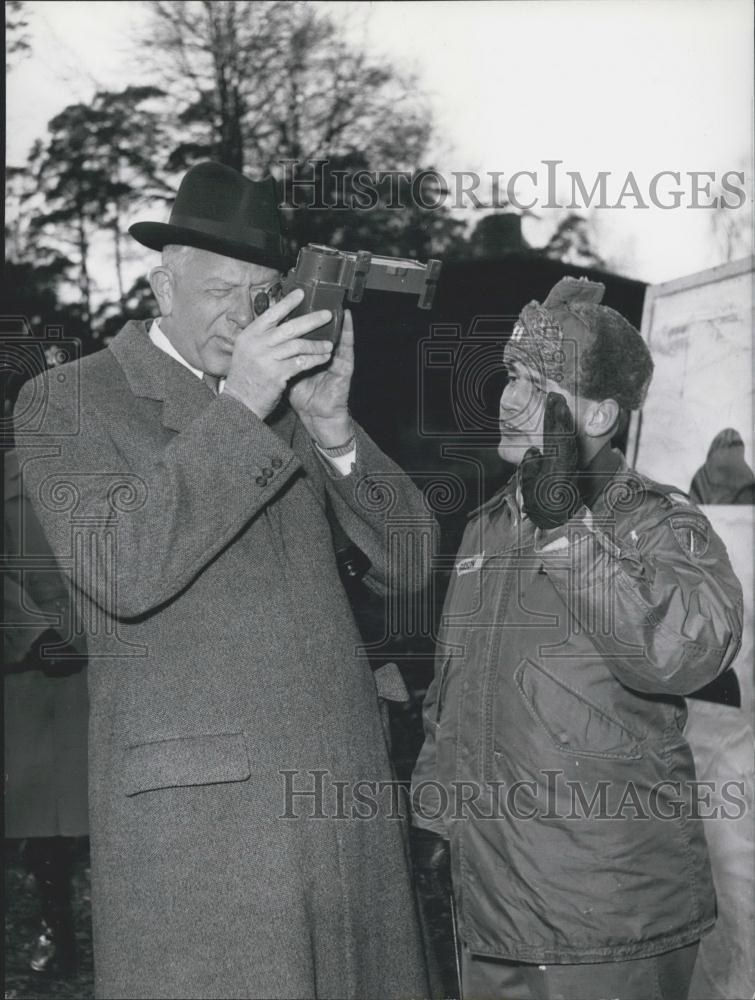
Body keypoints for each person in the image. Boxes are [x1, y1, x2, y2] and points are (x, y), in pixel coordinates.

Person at [13, 161, 432, 1000]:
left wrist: (332, 423)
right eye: (219, 289)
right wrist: (243, 404)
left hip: (340, 809)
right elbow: (120, 570)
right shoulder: (67, 400)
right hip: (207, 836)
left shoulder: (292, 404)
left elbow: (413, 560)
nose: (243, 315)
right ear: (163, 286)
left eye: (260, 293)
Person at [411, 276, 744, 1000]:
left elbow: (683, 653)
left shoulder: (658, 521)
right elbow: (453, 690)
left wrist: (567, 532)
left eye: (535, 385)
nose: (505, 399)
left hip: (603, 924)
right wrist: (436, 816)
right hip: (490, 909)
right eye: (508, 377)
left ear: (596, 413)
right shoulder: (487, 525)